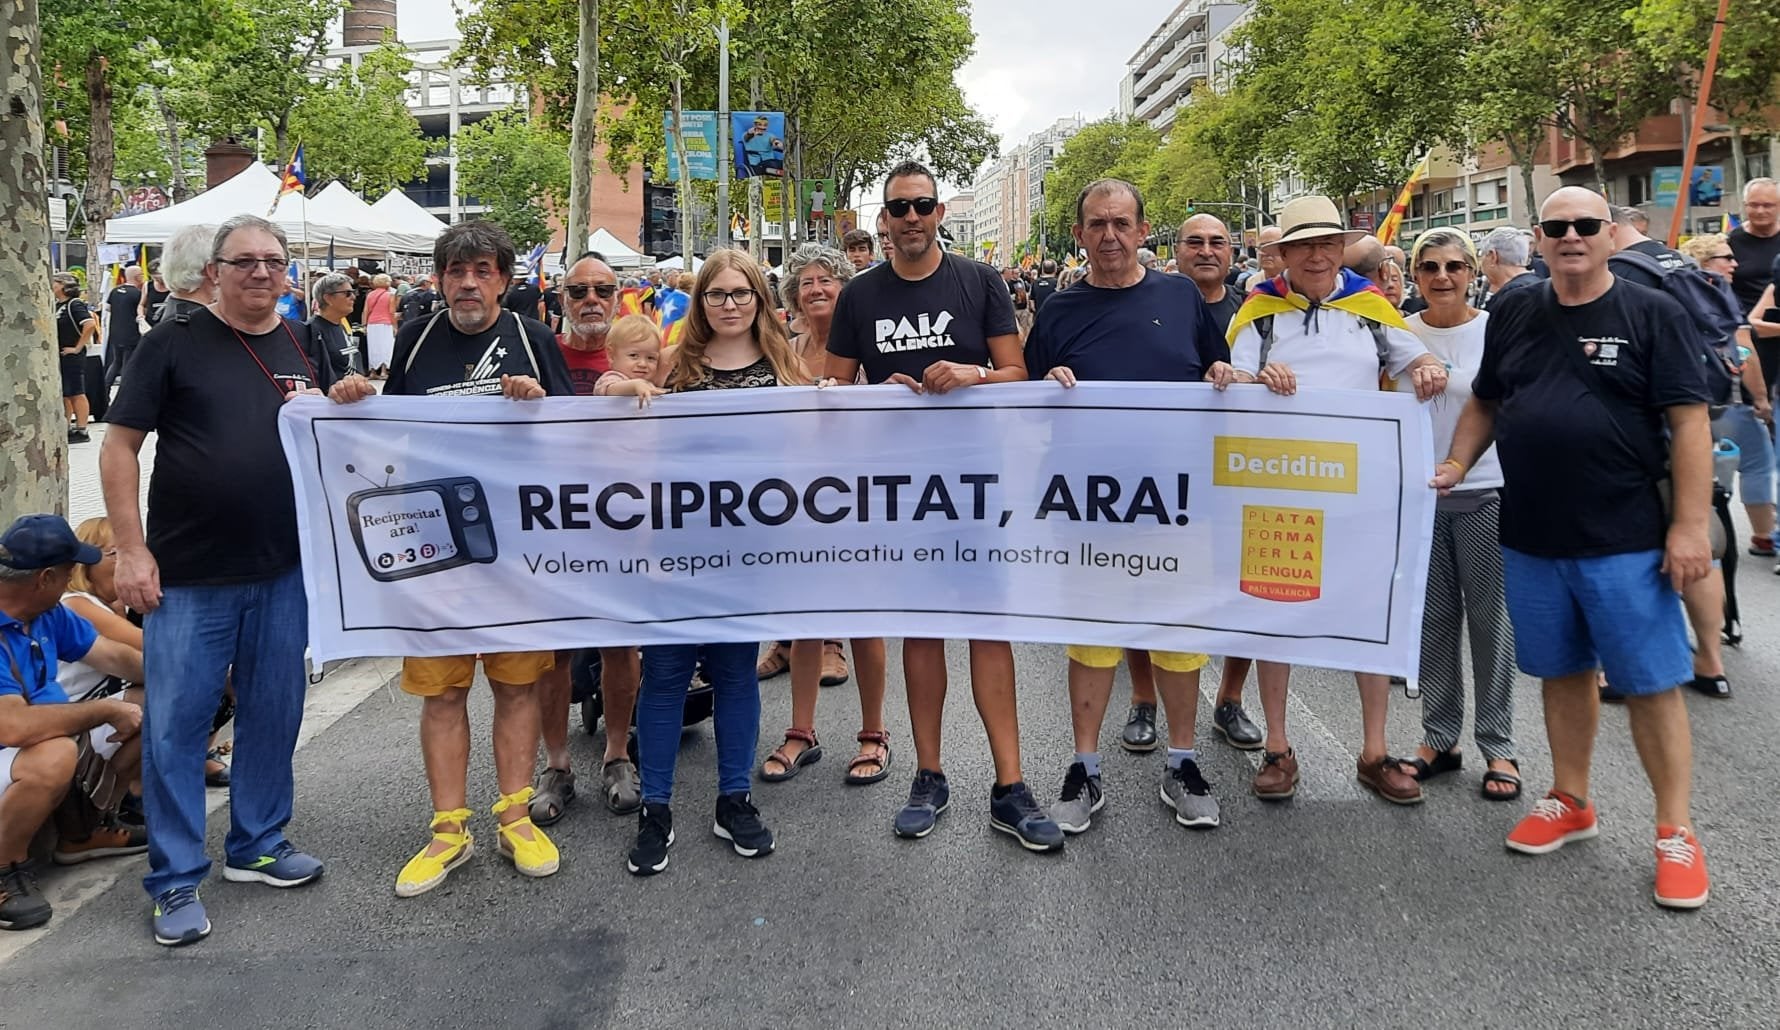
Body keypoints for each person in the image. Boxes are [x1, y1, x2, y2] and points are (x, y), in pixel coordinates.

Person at [1434, 186, 1714, 910]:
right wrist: (1459, 464)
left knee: (1649, 684)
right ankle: (1571, 799)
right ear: (1538, 237)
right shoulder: (1518, 309)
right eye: (1556, 227)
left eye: (1585, 225)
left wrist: (1688, 527)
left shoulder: (1656, 313)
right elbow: (1487, 401)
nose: (1571, 237)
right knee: (1561, 674)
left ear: (1611, 234)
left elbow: (1689, 425)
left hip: (1624, 537)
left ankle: (1675, 831)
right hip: (1530, 532)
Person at [101, 214, 334, 947]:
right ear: (215, 271)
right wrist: (130, 552)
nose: (260, 273)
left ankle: (257, 844)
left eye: (272, 260)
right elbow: (116, 448)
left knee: (274, 710)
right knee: (176, 727)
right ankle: (173, 880)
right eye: (244, 262)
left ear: (287, 270)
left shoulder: (305, 340)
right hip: (190, 576)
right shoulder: (173, 340)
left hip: (284, 569)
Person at [824, 161, 1063, 852]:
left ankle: (1010, 785)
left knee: (990, 630)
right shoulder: (859, 296)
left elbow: (1017, 374)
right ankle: (928, 775)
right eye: (899, 208)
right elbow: (834, 390)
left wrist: (974, 374)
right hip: (900, 489)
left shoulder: (980, 281)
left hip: (977, 482)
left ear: (938, 214)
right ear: (883, 220)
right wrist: (878, 393)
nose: (912, 218)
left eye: (923, 205)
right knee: (922, 633)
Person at [327, 221, 570, 898]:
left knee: (517, 686)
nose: (469, 282)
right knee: (444, 690)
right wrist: (354, 399)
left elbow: (576, 438)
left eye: (483, 270)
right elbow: (389, 425)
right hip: (436, 552)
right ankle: (447, 830)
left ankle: (515, 817)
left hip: (518, 550)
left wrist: (539, 404)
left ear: (504, 279)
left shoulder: (534, 339)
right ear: (438, 280)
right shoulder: (415, 339)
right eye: (456, 271)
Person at [1212, 194, 1450, 806]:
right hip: (1278, 489)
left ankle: (1374, 752)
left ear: (1341, 249)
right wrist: (1247, 378)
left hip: (1358, 491)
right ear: (1283, 254)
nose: (1317, 255)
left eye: (1328, 244)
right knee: (1276, 613)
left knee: (1366, 616)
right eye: (1304, 246)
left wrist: (1425, 365)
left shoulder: (1370, 308)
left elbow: (1413, 356)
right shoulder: (1258, 314)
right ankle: (1278, 747)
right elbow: (1233, 381)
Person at [1024, 179, 1230, 833]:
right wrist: (1046, 384)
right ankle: (1084, 768)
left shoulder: (1180, 296)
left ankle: (1182, 762)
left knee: (1179, 637)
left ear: (1144, 232)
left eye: (1121, 223)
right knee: (1091, 640)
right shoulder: (1058, 308)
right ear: (1080, 235)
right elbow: (1025, 400)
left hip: (1176, 502)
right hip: (1090, 506)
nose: (1109, 236)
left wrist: (1224, 377)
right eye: (1096, 224)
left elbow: (1216, 371)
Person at [625, 249, 810, 877]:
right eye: (716, 294)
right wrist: (622, 387)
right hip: (678, 546)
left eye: (741, 293)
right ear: (699, 302)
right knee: (667, 674)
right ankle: (656, 806)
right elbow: (611, 400)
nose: (729, 304)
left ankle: (734, 797)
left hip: (751, 552)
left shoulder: (786, 368)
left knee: (735, 672)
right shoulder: (678, 367)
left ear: (759, 299)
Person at [1120, 213, 1263, 755]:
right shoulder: (1153, 301)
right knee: (1142, 585)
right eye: (1194, 242)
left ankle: (1229, 698)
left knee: (1241, 583)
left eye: (1217, 241)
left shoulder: (1257, 315)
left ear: (1232, 252)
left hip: (1235, 471)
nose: (1206, 250)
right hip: (1157, 477)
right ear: (1173, 249)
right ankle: (1142, 699)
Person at [752, 244, 892, 789]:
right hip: (796, 502)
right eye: (805, 281)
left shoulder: (869, 344)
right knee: (803, 619)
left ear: (845, 287)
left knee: (864, 619)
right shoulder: (781, 350)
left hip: (859, 499)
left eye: (826, 280)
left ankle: (874, 733)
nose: (815, 289)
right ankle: (801, 732)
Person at [1393, 229, 1520, 798]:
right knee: (1433, 623)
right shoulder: (1399, 335)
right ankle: (1439, 738)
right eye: (1430, 267)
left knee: (1491, 624)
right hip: (1419, 499)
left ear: (1474, 271)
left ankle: (1500, 746)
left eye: (1453, 266)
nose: (1442, 276)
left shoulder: (1497, 330)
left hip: (1486, 494)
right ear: (1414, 275)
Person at [1608, 214, 1751, 701]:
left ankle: (1623, 669)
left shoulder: (1623, 274)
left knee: (1632, 552)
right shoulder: (1677, 262)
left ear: (1608, 230)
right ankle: (1710, 661)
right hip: (1697, 418)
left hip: (1647, 431)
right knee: (1698, 544)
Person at [527, 253, 642, 828]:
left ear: (619, 295)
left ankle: (617, 755)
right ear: (560, 297)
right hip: (551, 524)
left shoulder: (639, 355)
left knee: (620, 644)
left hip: (622, 524)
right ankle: (557, 765)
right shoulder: (536, 353)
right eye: (578, 291)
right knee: (555, 649)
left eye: (603, 288)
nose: (591, 299)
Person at [0, 514, 148, 931]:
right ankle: (5, 868)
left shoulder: (47, 613)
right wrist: (105, 710)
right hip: (17, 744)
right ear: (44, 577)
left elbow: (113, 656)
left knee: (163, 701)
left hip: (31, 741)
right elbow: (14, 727)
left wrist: (182, 678)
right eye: (67, 572)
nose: (71, 581)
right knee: (53, 754)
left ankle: (84, 832)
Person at [53, 274, 98, 443]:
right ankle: (67, 426)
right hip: (62, 354)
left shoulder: (74, 304)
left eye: (55, 282)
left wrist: (78, 347)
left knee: (76, 391)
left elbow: (89, 324)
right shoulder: (58, 305)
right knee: (66, 392)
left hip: (72, 354)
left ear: (63, 285)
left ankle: (82, 428)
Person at [1478, 227, 1540, 310]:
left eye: (1481, 254)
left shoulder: (1509, 298)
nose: (1480, 261)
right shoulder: (1542, 287)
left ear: (1493, 256)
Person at [104, 266, 144, 392]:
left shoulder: (115, 291)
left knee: (116, 362)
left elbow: (107, 308)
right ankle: (125, 391)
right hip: (131, 333)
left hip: (115, 332)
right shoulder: (137, 294)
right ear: (138, 277)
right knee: (128, 363)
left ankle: (105, 388)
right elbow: (142, 311)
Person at [363, 273, 396, 379]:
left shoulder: (370, 294)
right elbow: (391, 312)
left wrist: (364, 324)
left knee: (373, 347)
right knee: (385, 347)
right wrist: (395, 326)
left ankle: (372, 372)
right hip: (385, 323)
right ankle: (383, 371)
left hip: (372, 323)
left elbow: (365, 311)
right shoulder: (389, 295)